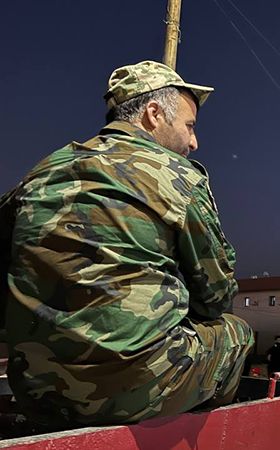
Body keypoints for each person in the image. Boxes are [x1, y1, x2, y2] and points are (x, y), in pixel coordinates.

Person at [0, 61, 253, 428]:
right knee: (236, 331)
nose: (194, 142)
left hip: (38, 390)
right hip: (139, 389)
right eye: (189, 126)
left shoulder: (44, 171)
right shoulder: (178, 176)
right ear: (153, 114)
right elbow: (214, 297)